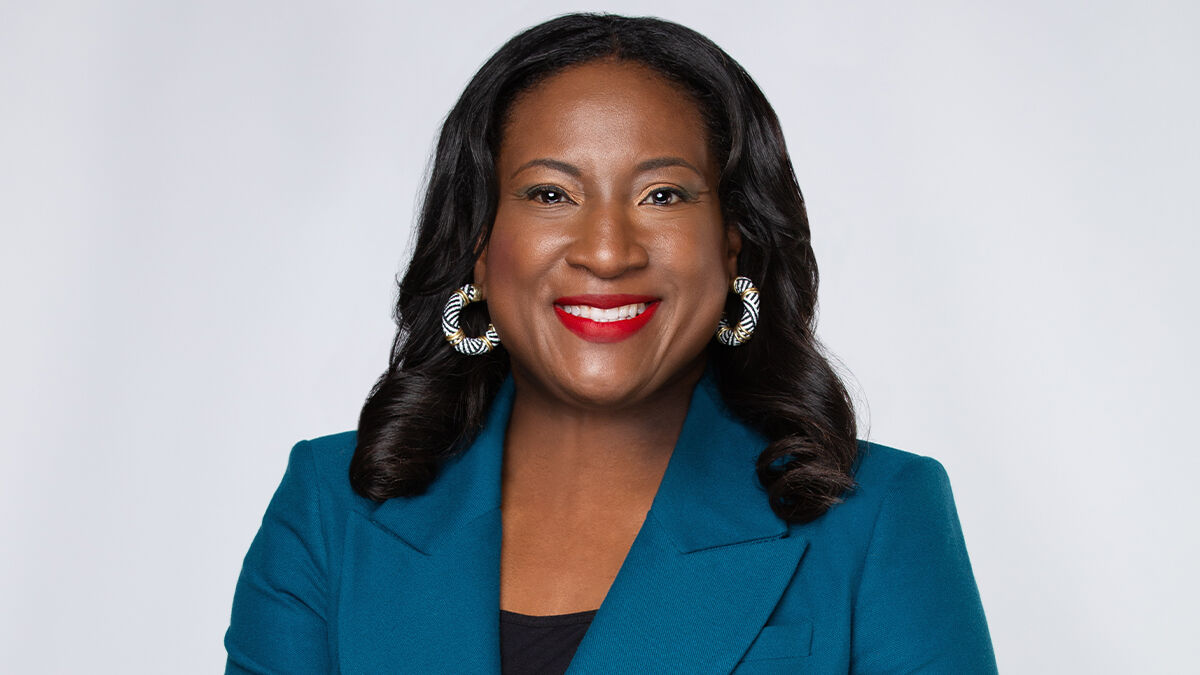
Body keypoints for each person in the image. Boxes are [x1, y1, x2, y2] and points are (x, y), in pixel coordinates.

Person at [225, 12, 997, 674]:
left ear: (734, 244)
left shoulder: (879, 518)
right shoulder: (331, 507)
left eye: (662, 194)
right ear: (479, 246)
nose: (606, 249)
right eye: (549, 193)